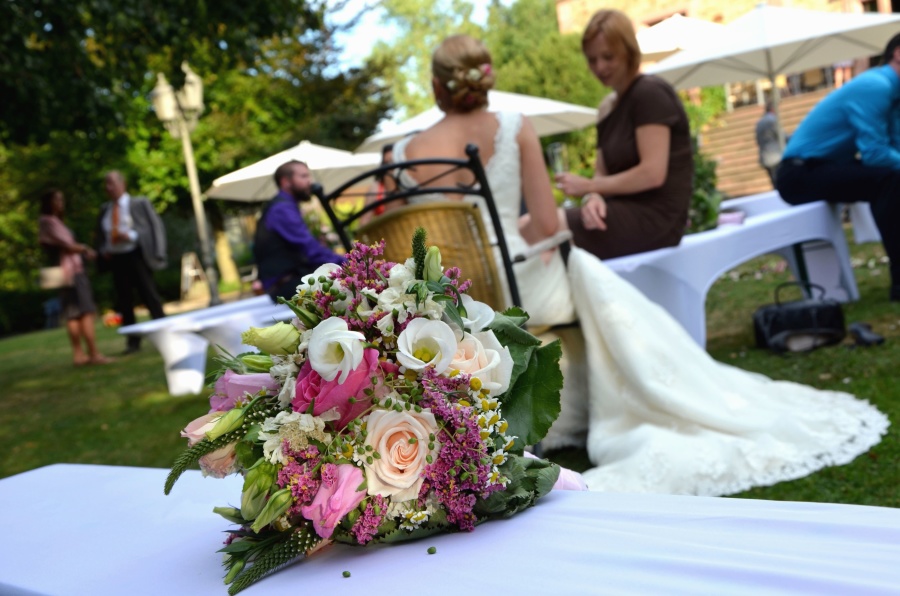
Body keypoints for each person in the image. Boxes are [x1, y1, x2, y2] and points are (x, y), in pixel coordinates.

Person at [390, 31, 888, 496]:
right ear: (485, 78)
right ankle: (644, 383)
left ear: (437, 86)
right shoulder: (515, 126)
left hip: (449, 296)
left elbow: (400, 237)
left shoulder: (401, 150)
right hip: (511, 284)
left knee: (579, 267)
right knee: (582, 266)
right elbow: (545, 223)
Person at [548, 9, 694, 260]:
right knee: (535, 227)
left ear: (628, 51)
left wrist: (588, 187)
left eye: (608, 57)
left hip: (656, 219)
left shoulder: (650, 93)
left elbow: (652, 174)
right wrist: (594, 198)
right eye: (592, 60)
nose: (600, 67)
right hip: (620, 211)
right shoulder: (607, 107)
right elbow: (602, 171)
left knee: (543, 226)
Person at [776, 33, 900, 302]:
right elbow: (876, 155)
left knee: (891, 177)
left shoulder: (891, 92)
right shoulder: (875, 86)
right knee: (888, 180)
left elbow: (893, 147)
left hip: (822, 167)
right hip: (798, 175)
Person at [94, 170, 167, 354]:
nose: (108, 188)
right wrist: (105, 251)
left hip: (136, 255)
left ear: (122, 184)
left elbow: (154, 227)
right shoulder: (105, 209)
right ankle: (133, 342)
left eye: (111, 183)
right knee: (124, 301)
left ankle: (166, 334)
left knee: (149, 295)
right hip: (117, 259)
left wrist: (132, 236)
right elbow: (101, 237)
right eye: (106, 184)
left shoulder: (139, 203)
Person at [39, 189, 113, 366]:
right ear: (49, 202)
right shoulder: (48, 221)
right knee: (85, 312)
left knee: (73, 314)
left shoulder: (53, 221)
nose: (61, 202)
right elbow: (67, 245)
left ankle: (79, 356)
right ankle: (93, 353)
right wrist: (86, 248)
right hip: (72, 271)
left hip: (66, 272)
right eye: (57, 199)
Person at [253, 160, 345, 301]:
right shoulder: (282, 209)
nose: (310, 181)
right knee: (349, 285)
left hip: (291, 280)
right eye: (303, 176)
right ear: (286, 181)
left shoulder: (285, 205)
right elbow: (309, 249)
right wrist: (346, 261)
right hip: (287, 285)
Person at [359, 143, 396, 227]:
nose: (390, 168)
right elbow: (365, 218)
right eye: (386, 164)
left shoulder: (409, 184)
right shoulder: (376, 187)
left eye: (393, 163)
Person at [755, 99, 784, 187]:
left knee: (775, 184)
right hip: (776, 157)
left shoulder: (759, 122)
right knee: (781, 183)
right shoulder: (772, 120)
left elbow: (758, 140)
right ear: (773, 109)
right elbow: (782, 136)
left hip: (765, 157)